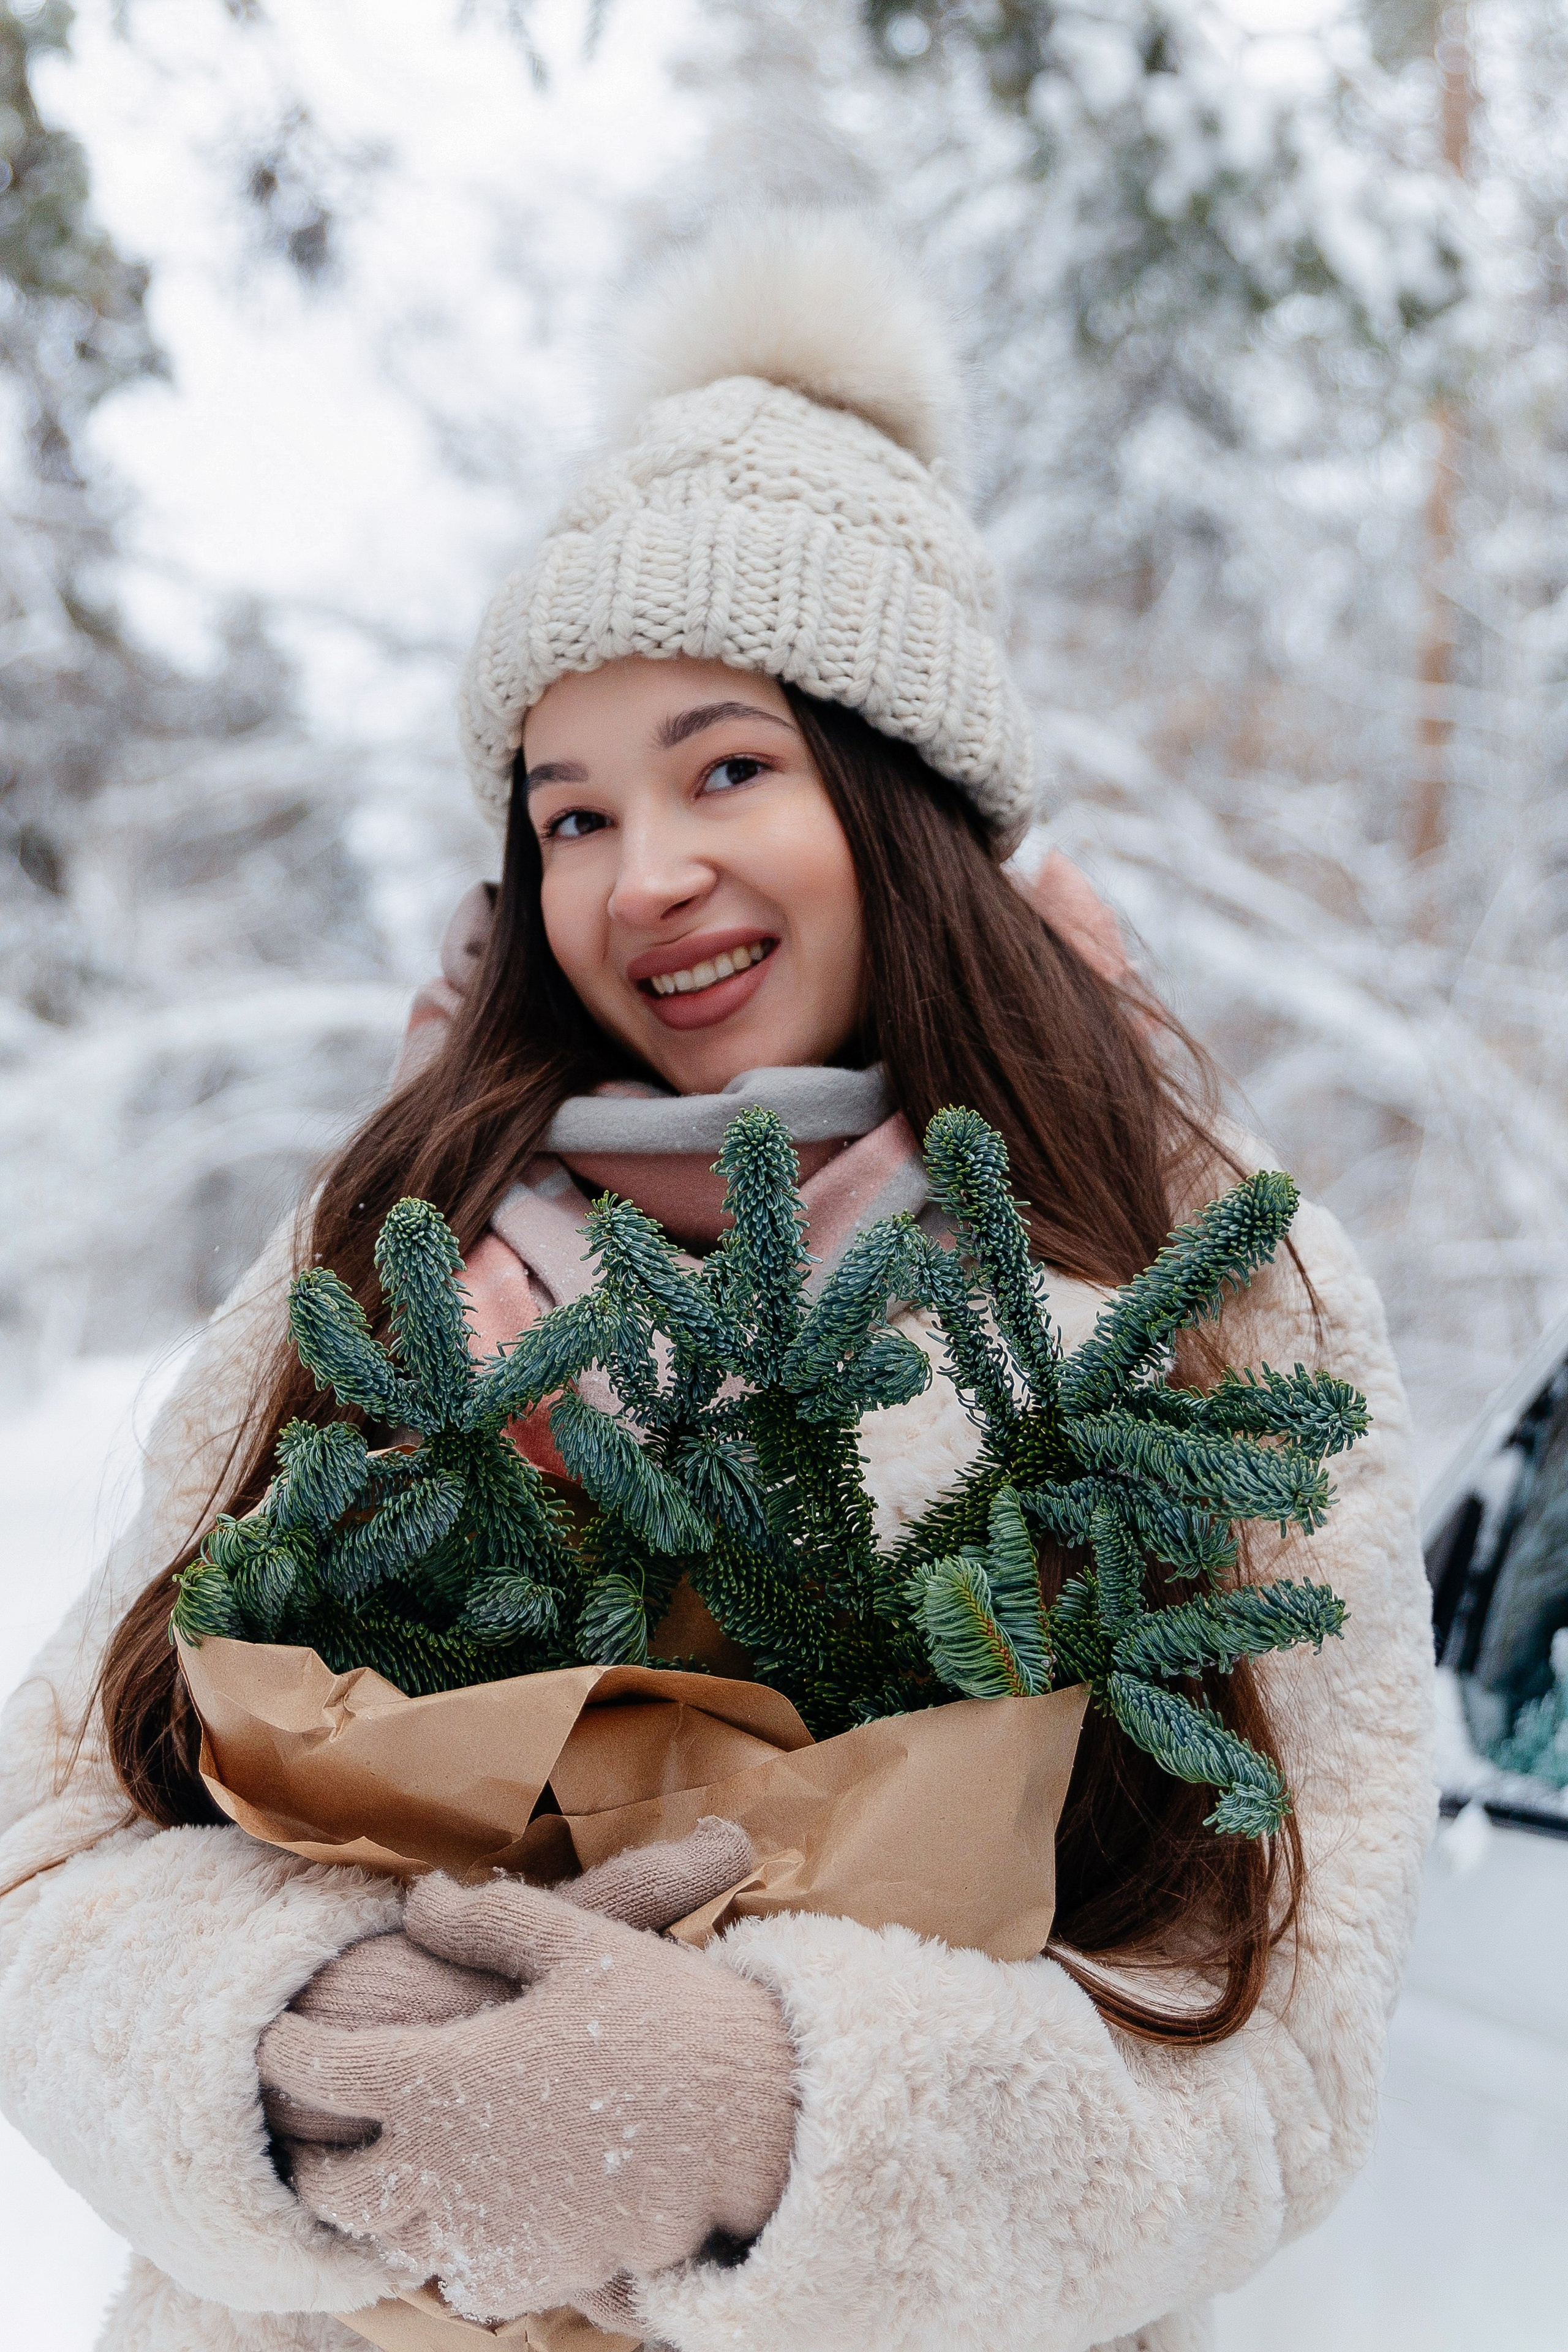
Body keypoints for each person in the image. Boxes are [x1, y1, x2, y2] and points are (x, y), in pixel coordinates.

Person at [0, 209, 1433, 2352]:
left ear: (904, 799)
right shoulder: (392, 1248)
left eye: (726, 769)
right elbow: (52, 1848)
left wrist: (770, 2115)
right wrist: (286, 2039)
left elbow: (1281, 2057)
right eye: (567, 816)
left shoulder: (1193, 1288)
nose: (641, 873)